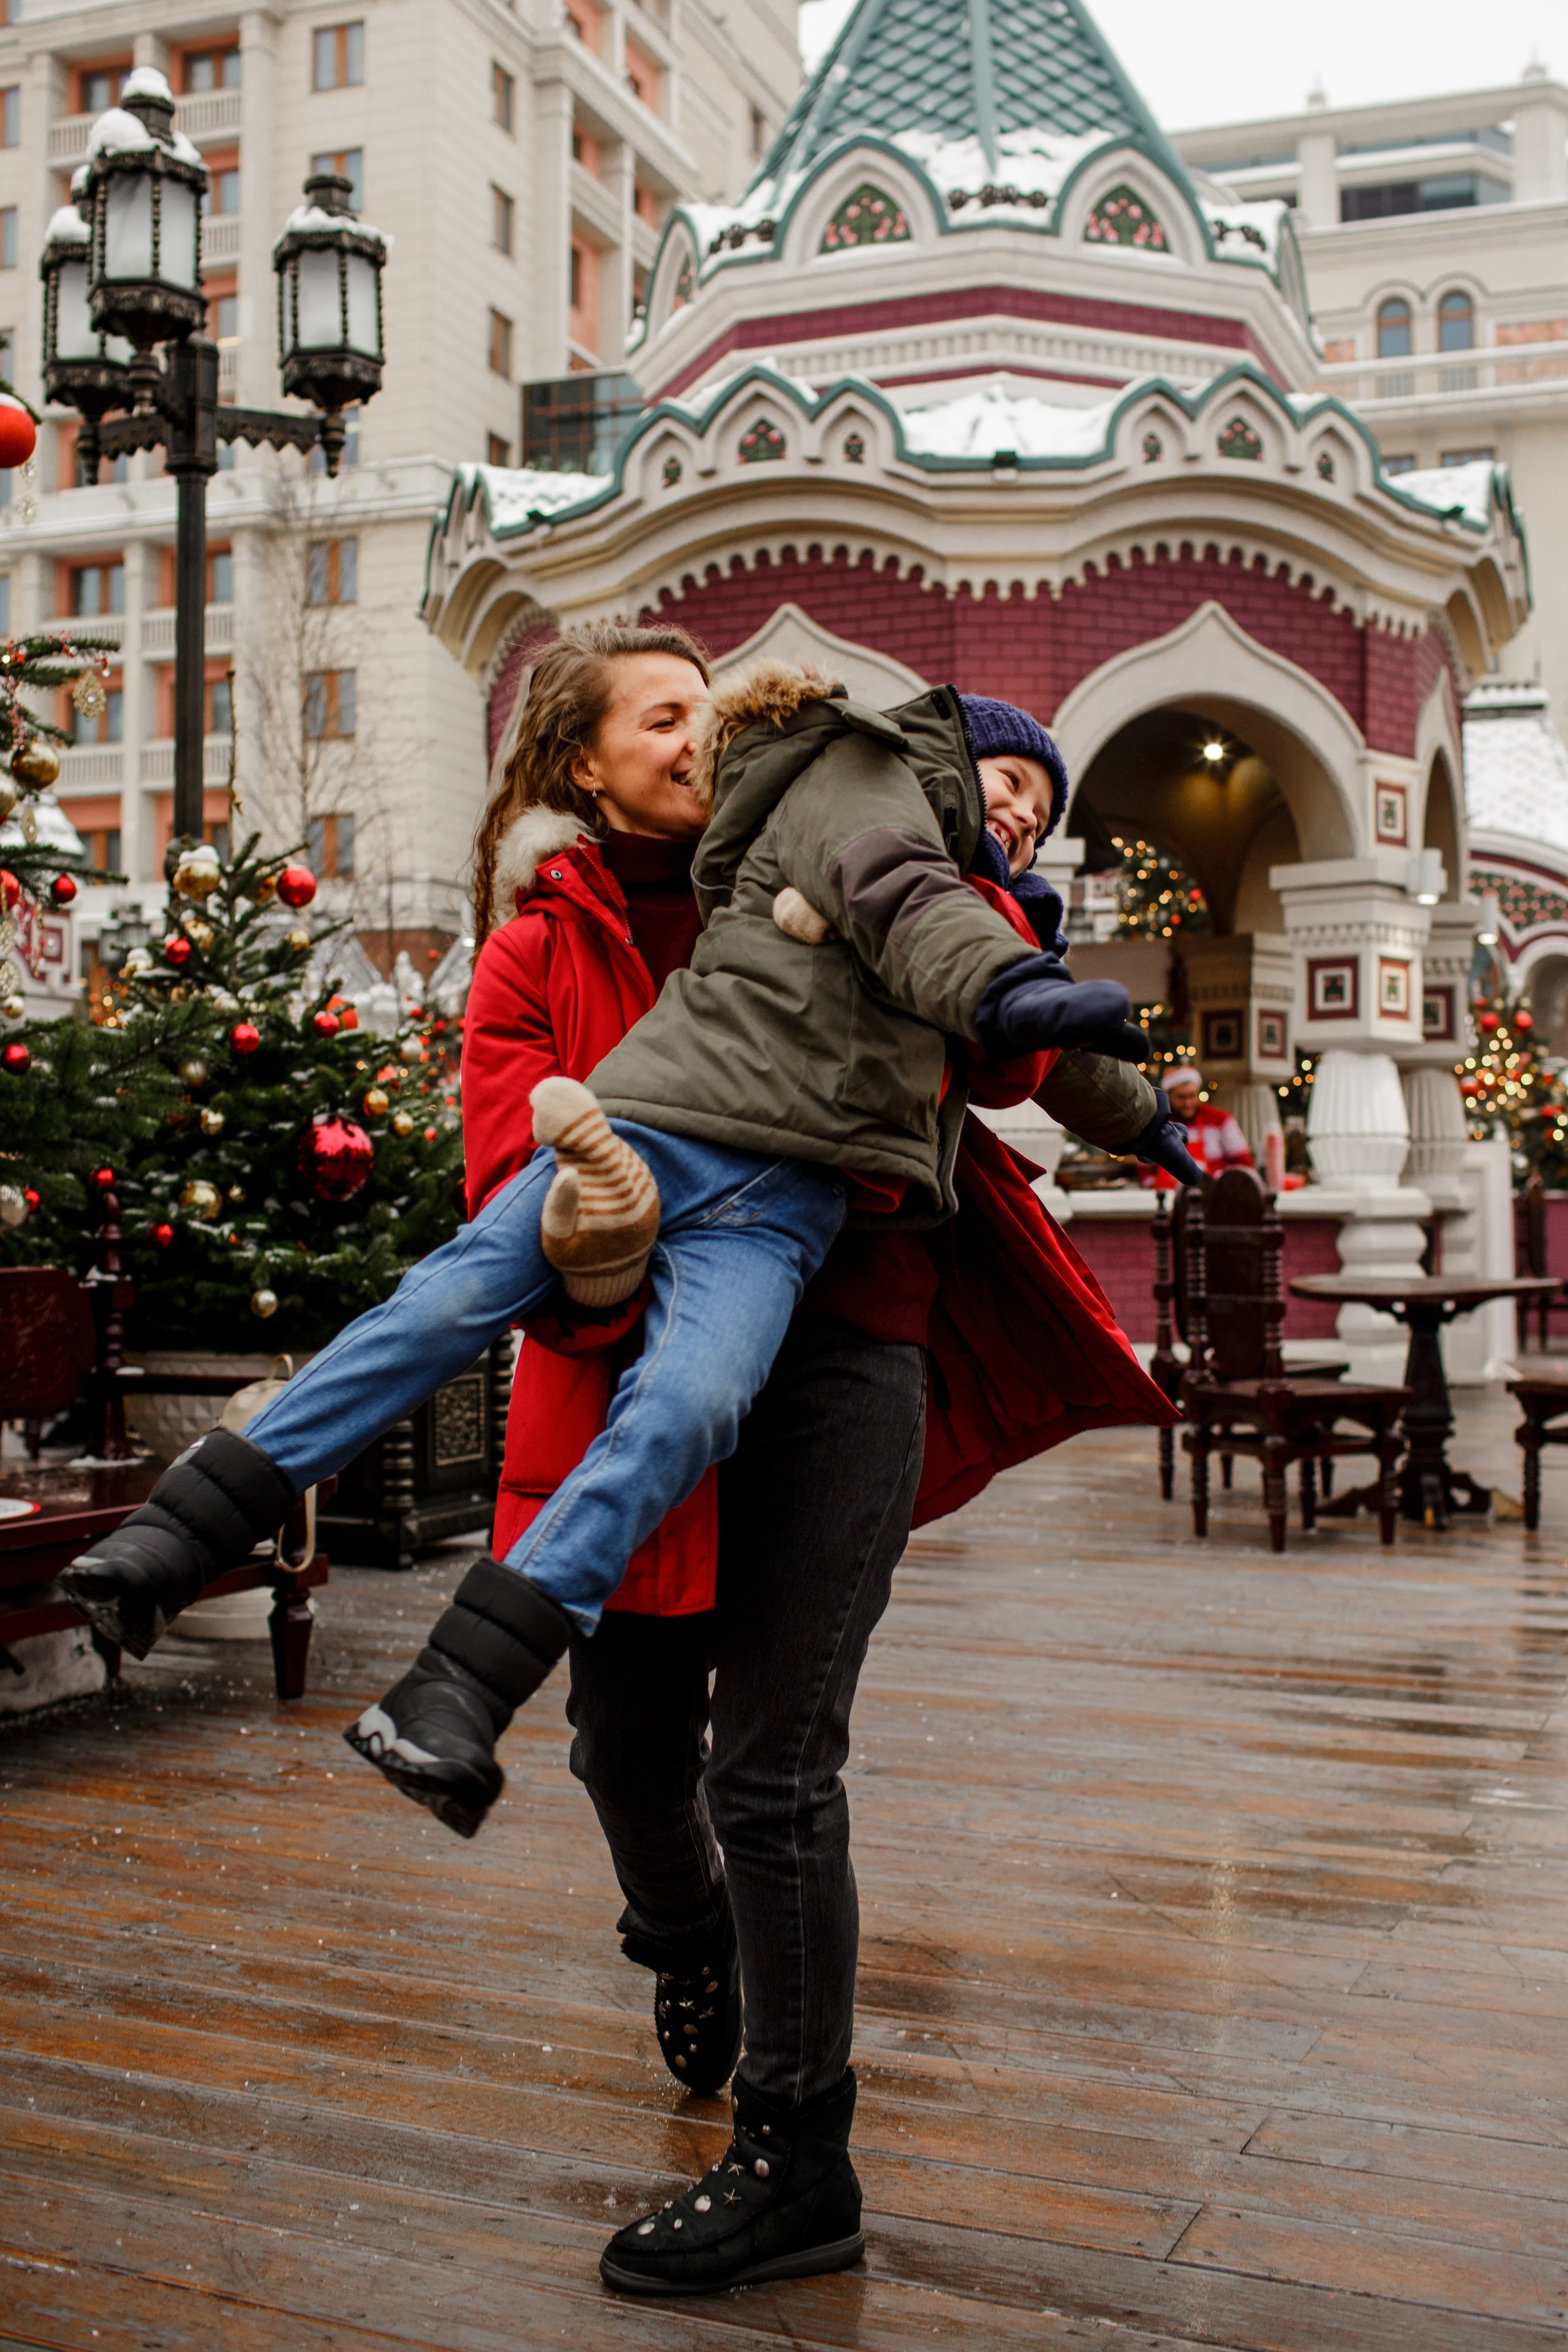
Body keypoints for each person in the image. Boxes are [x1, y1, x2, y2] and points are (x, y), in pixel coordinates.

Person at [64, 629, 1193, 2298]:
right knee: (624, 1746)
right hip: (613, 1363)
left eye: (709, 707)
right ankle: (681, 1937)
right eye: (664, 715)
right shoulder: (541, 943)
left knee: (778, 1767)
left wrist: (1076, 1028)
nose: (702, 729)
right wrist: (592, 1232)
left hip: (838, 1354)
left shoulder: (874, 839)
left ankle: (798, 2154)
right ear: (586, 769)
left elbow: (1005, 1018)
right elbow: (500, 1157)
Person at [1141, 1066, 1253, 1186]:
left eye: (1192, 1096)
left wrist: (1224, 1185)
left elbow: (1243, 1164)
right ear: (1169, 1096)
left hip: (1212, 1197)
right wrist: (1154, 1189)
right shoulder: (1159, 1124)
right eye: (1182, 1097)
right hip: (1168, 1198)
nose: (1188, 1103)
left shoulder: (1221, 1121)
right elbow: (1145, 1170)